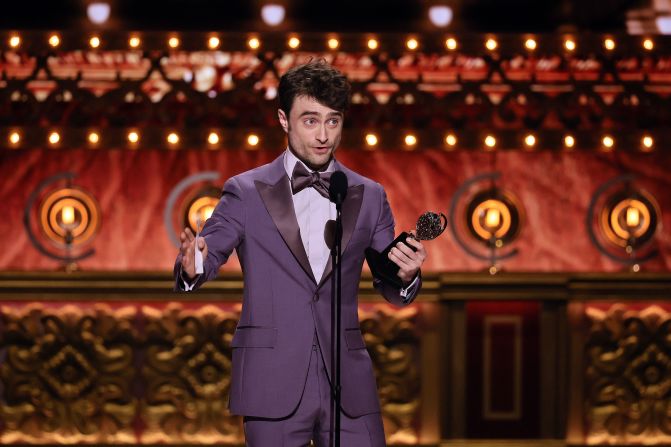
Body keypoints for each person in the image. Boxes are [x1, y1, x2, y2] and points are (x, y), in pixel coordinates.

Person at [174, 60, 427, 446]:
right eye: (310, 121)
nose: (324, 135)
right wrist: (193, 263)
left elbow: (389, 281)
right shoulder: (245, 191)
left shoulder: (370, 195)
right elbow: (206, 258)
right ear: (283, 120)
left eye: (333, 121)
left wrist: (406, 277)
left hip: (348, 383)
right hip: (272, 379)